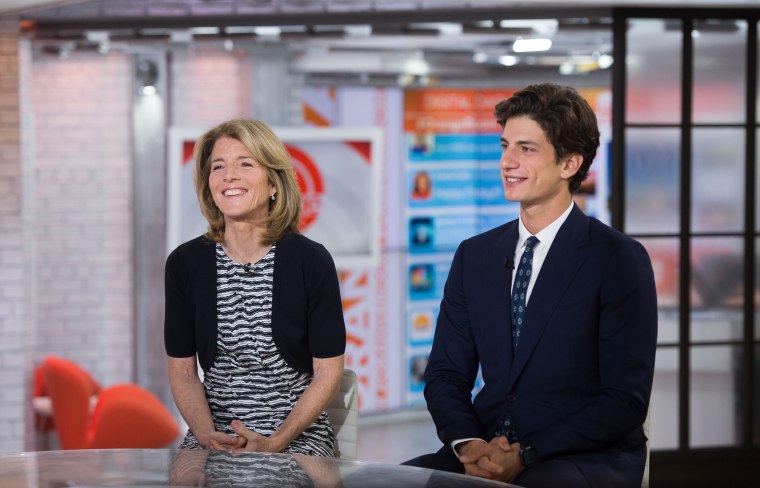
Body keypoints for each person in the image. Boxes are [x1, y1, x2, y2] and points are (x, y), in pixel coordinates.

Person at [403, 84, 657, 488]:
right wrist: (469, 446)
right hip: (485, 445)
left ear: (569, 163)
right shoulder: (475, 255)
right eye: (505, 146)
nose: (507, 162)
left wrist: (525, 455)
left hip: (580, 454)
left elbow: (623, 400)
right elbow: (446, 375)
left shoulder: (618, 259)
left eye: (526, 149)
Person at [164, 118, 346, 457]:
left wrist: (277, 441)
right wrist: (207, 437)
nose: (229, 176)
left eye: (245, 164)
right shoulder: (184, 264)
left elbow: (327, 372)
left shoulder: (312, 261)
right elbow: (183, 371)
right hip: (213, 432)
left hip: (295, 434)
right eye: (218, 167)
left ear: (274, 183)